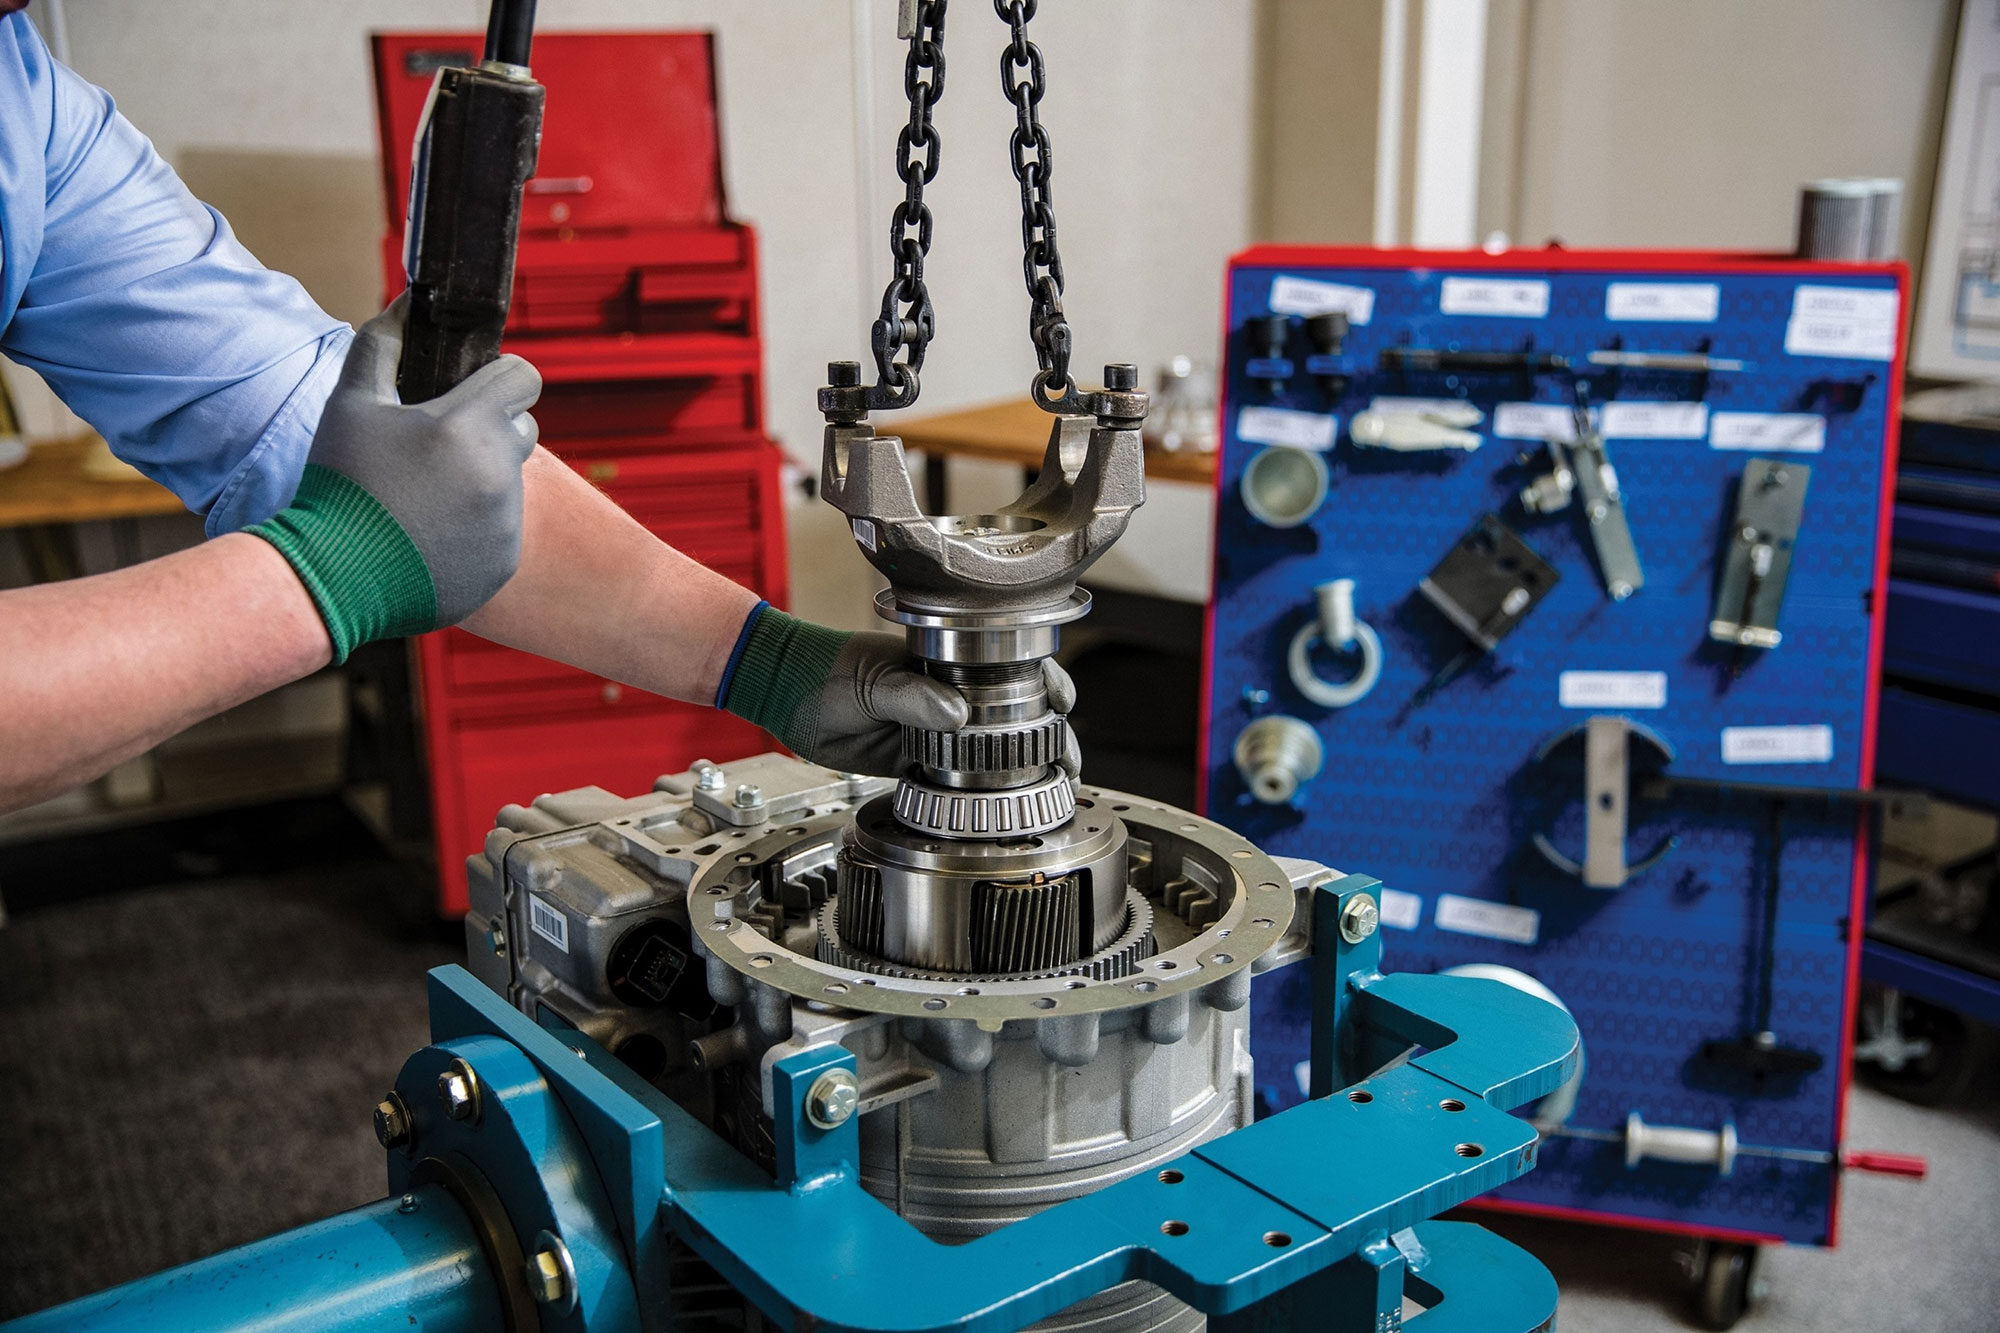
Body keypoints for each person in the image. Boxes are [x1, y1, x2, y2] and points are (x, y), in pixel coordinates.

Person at [0, 9, 1072, 814]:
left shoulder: (32, 104)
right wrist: (331, 570)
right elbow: (367, 524)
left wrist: (766, 663)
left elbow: (318, 420)